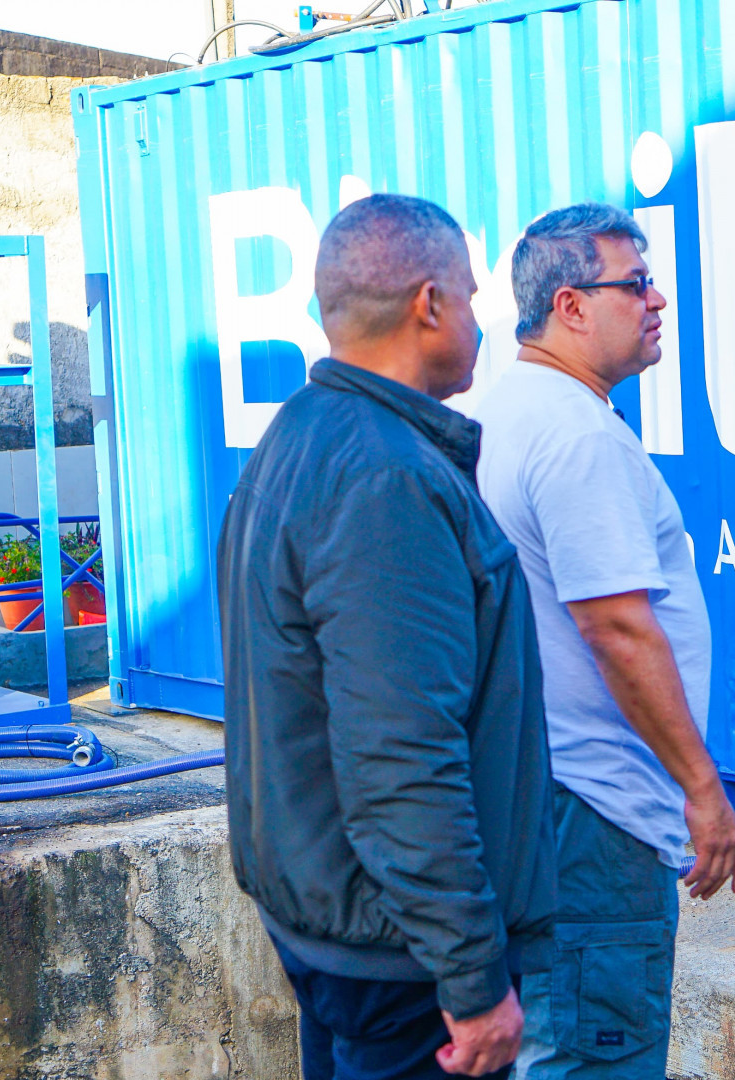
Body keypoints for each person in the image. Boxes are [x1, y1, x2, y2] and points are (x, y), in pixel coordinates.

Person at [217, 193, 556, 1080]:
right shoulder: (387, 482)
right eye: (472, 297)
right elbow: (403, 756)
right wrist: (473, 979)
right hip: (402, 962)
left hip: (339, 925)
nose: (481, 319)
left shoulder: (299, 434)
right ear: (429, 304)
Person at [473, 202, 735, 1080]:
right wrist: (702, 791)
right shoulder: (577, 435)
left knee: (551, 1043)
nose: (658, 298)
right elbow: (619, 628)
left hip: (541, 792)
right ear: (570, 306)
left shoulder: (515, 407)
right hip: (594, 811)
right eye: (634, 283)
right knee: (592, 1054)